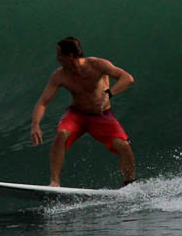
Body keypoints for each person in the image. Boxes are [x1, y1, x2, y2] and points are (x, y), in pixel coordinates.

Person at [30, 37, 136, 187]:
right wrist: (35, 125)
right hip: (77, 115)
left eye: (59, 54)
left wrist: (108, 94)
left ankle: (129, 184)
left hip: (101, 116)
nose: (57, 58)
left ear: (70, 55)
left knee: (124, 146)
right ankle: (54, 182)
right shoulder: (60, 75)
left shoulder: (97, 65)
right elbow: (42, 102)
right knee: (61, 134)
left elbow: (127, 78)